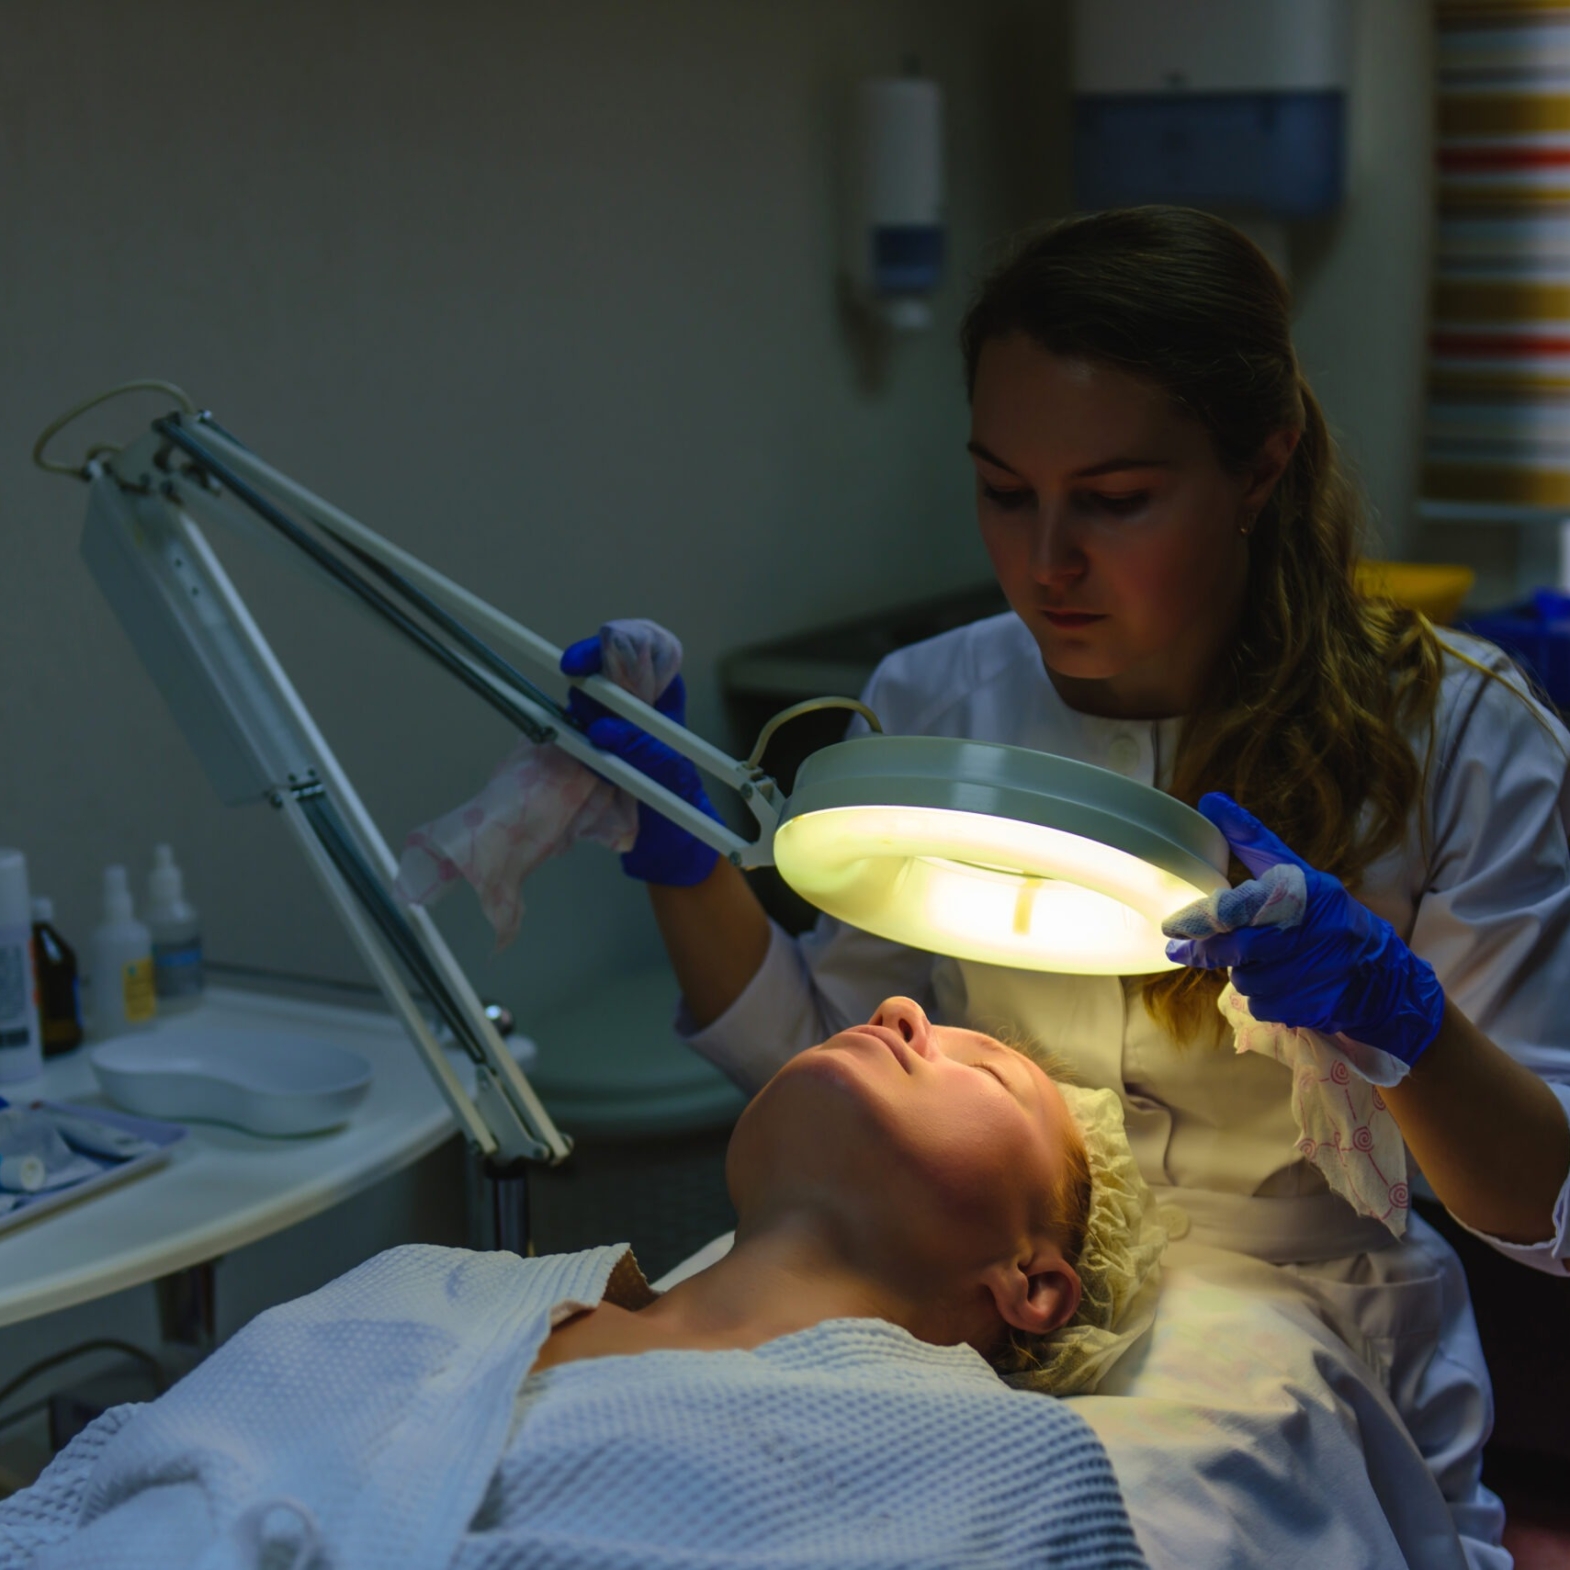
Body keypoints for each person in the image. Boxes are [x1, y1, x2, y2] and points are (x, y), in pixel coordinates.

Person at [561, 205, 1570, 1567]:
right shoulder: (935, 699)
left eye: (1114, 498)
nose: (1046, 563)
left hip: (1292, 1303)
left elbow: (1541, 1207)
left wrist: (1404, 1025)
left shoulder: (1460, 736)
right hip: (947, 1290)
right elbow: (829, 1061)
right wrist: (680, 857)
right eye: (1003, 490)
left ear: (1260, 462)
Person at [0, 1001, 1152, 1570]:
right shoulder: (426, 1283)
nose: (901, 1013)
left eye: (987, 1069)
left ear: (1031, 1282)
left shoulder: (1008, 1464)